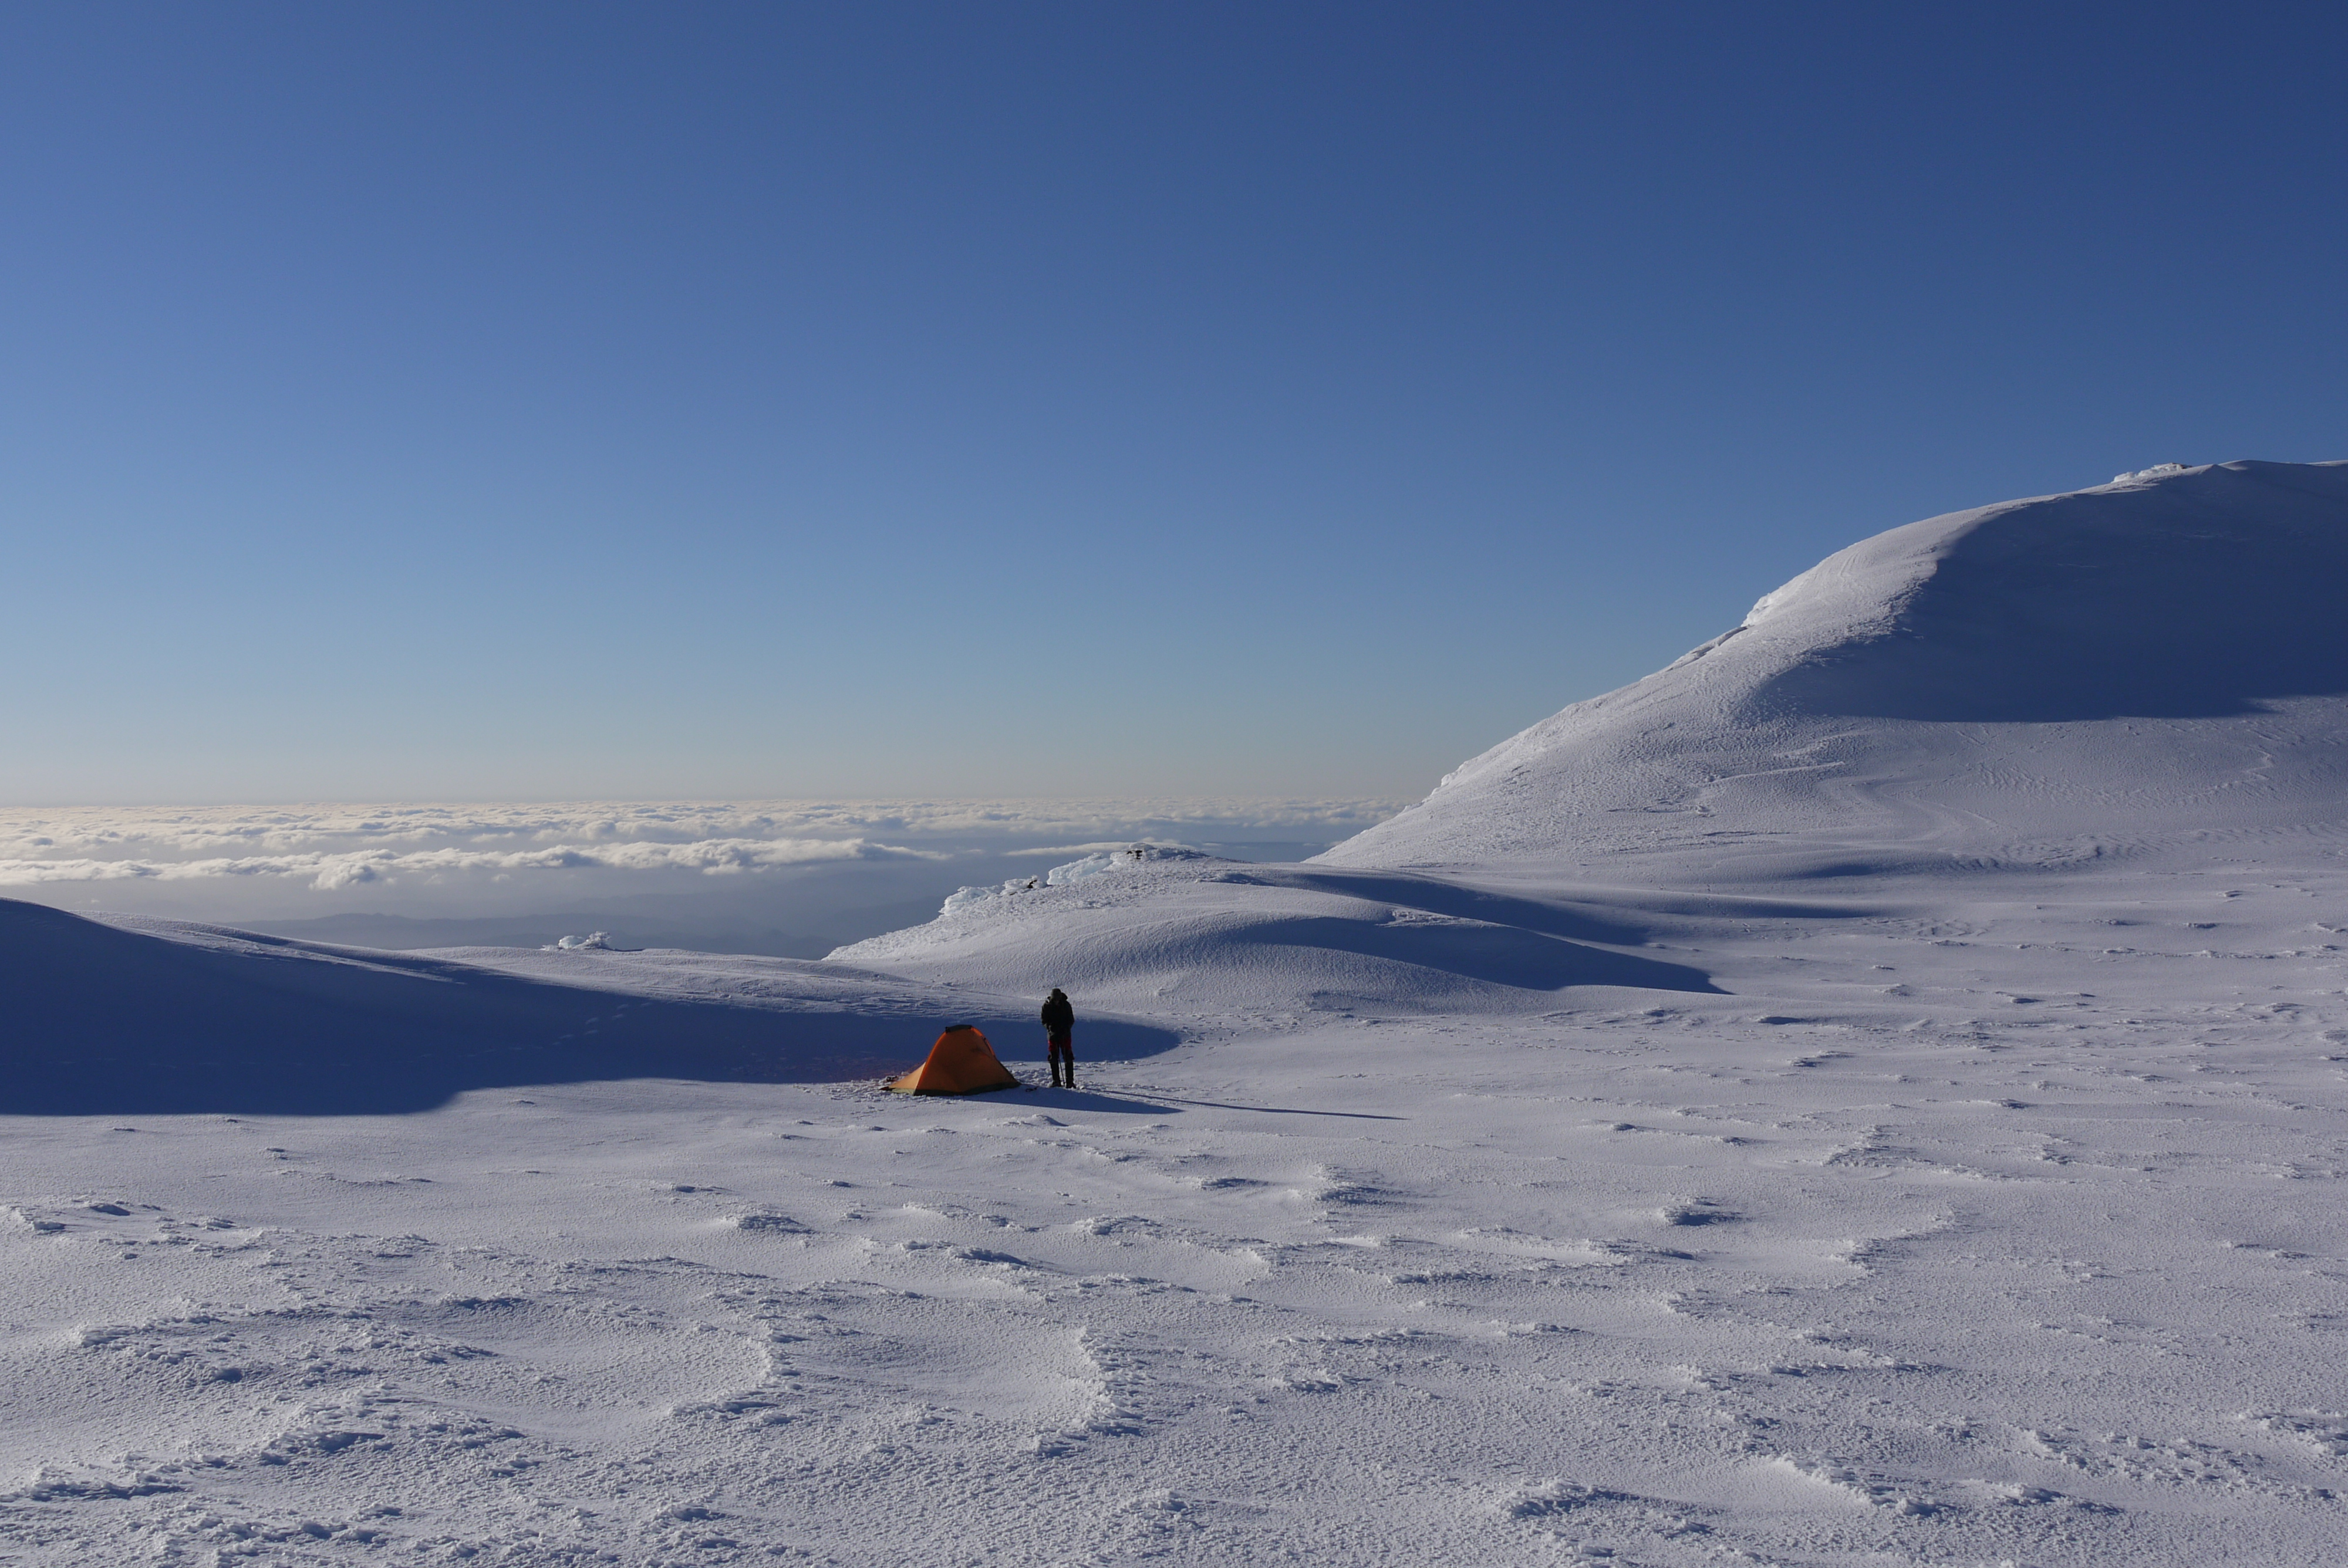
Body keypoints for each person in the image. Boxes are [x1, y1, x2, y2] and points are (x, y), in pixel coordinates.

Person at [1040, 987, 1075, 1089]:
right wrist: (1050, 1027)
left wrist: (1066, 1028)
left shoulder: (1066, 1005)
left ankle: (1070, 1082)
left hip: (1065, 1035)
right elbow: (1044, 1021)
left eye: (1058, 999)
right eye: (1055, 1000)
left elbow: (1071, 1020)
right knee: (1054, 1057)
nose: (1056, 1001)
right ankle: (1056, 1081)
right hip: (1052, 1035)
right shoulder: (1046, 1006)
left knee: (1068, 1056)